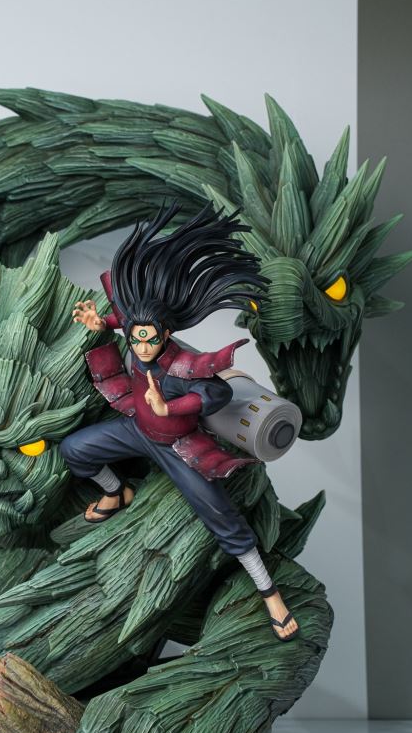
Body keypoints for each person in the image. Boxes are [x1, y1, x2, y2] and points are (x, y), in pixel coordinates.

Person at [60, 202, 299, 642]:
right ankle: (116, 492)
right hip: (135, 430)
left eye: (150, 339)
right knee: (75, 450)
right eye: (136, 338)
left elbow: (218, 393)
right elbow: (125, 322)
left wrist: (171, 408)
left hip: (177, 447)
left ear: (166, 335)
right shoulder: (137, 334)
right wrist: (101, 323)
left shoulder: (181, 364)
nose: (142, 347)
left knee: (222, 518)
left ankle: (270, 593)